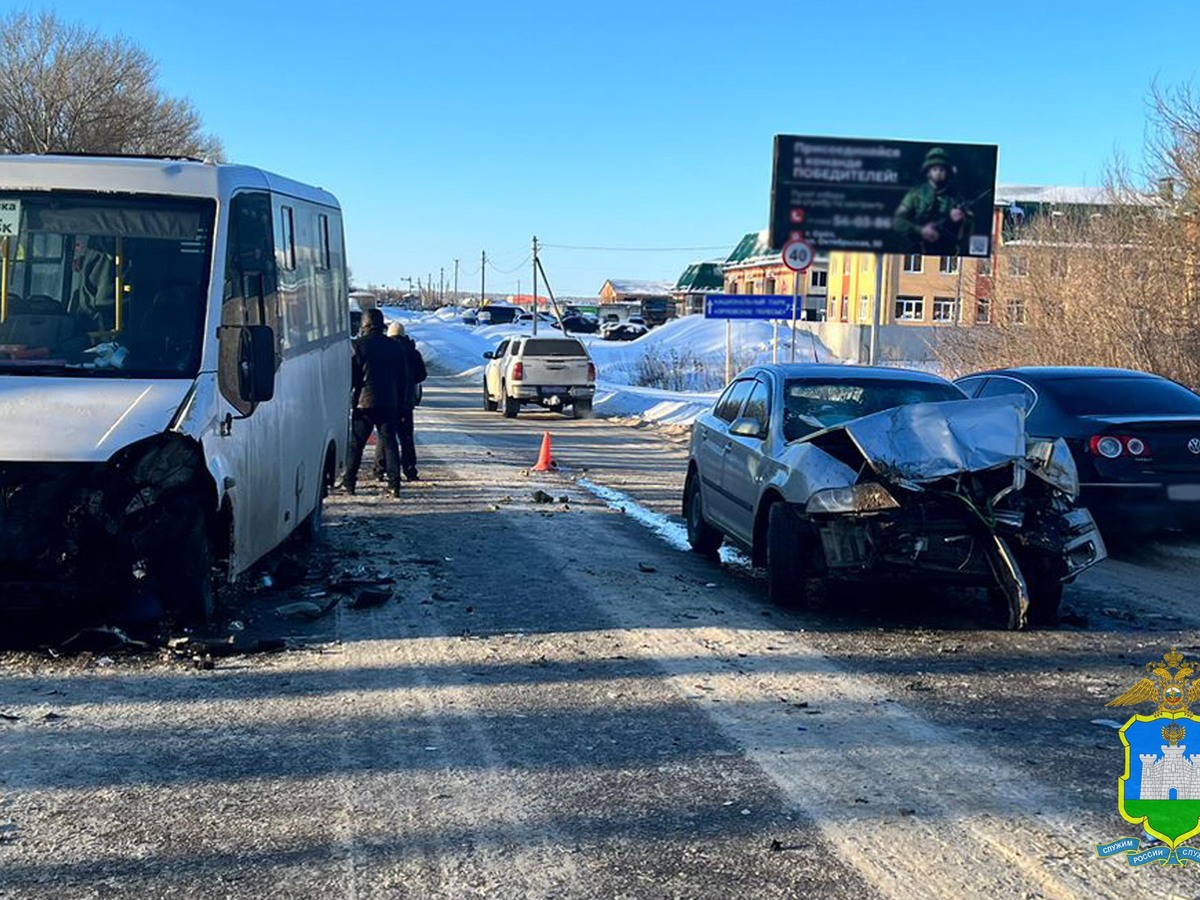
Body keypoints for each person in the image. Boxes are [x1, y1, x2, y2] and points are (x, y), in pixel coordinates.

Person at [343, 308, 408, 497]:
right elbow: (403, 378)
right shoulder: (395, 346)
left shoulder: (358, 346)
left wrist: (351, 397)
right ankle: (394, 484)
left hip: (364, 403)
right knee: (390, 444)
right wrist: (402, 403)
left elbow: (352, 376)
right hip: (389, 402)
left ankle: (349, 482)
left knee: (356, 445)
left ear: (365, 324)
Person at [894, 147, 974, 256]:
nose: (938, 173)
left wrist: (960, 220)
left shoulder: (955, 198)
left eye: (942, 169)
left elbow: (966, 232)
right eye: (935, 169)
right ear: (928, 172)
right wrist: (920, 230)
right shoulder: (915, 195)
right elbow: (898, 221)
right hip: (915, 250)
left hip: (944, 251)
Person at [373, 321, 427, 483]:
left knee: (385, 437)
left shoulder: (384, 351)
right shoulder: (412, 352)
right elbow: (421, 375)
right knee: (406, 437)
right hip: (405, 401)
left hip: (387, 400)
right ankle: (410, 470)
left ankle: (379, 469)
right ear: (403, 334)